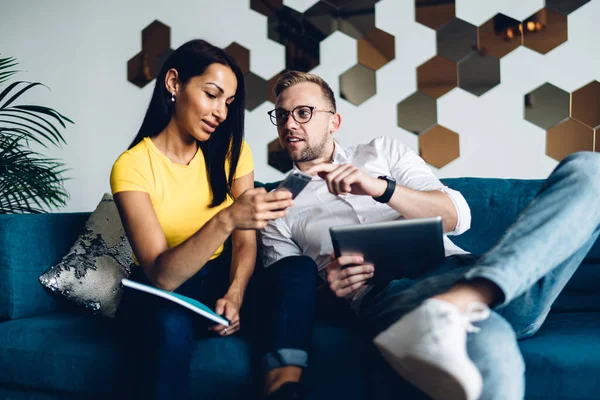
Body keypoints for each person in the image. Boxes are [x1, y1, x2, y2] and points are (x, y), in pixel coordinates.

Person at [258, 70, 600, 400]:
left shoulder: (382, 153)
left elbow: (455, 216)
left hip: (476, 270)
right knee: (489, 351)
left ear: (334, 121)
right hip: (395, 297)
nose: (290, 124)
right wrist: (329, 290)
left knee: (590, 170)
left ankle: (461, 299)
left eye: (303, 112)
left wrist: (381, 188)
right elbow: (288, 300)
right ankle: (456, 307)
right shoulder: (275, 207)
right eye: (282, 115)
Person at [110, 39, 293, 399]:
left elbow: (245, 238)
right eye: (212, 95)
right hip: (168, 289)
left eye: (228, 102)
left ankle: (287, 386)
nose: (221, 113)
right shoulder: (132, 166)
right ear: (174, 83)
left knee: (296, 271)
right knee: (169, 326)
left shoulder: (232, 151)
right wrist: (226, 219)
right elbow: (162, 275)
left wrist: (236, 293)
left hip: (223, 276)